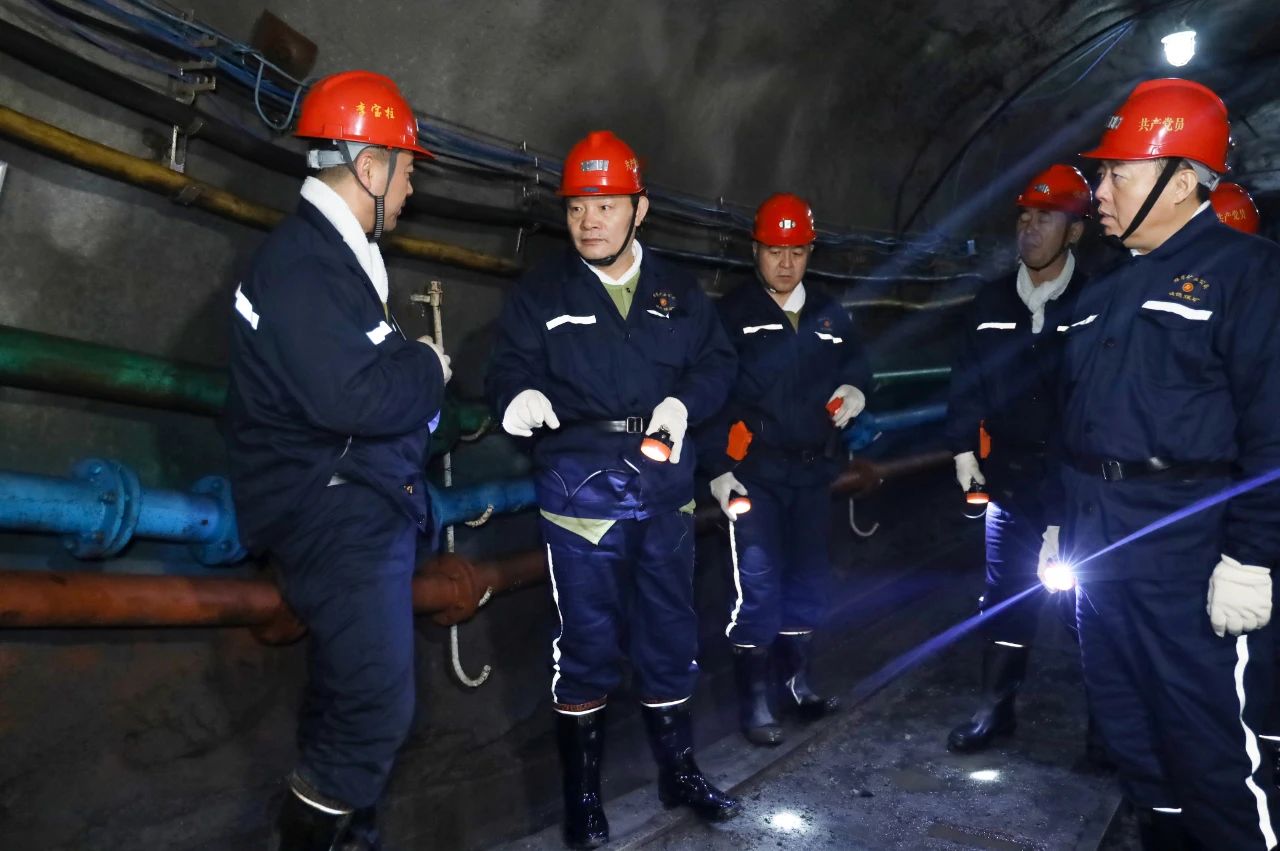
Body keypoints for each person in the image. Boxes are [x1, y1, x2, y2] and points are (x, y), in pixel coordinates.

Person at [486, 130, 740, 848]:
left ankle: (678, 772)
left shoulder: (678, 290)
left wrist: (684, 403)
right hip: (580, 491)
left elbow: (718, 363)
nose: (588, 221)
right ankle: (584, 798)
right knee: (587, 643)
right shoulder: (542, 293)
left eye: (604, 205)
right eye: (576, 208)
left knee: (669, 634)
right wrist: (516, 397)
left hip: (663, 487)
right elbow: (506, 367)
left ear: (639, 208)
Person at [1044, 77, 1280, 849]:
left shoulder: (1251, 275)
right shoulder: (1103, 292)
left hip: (1187, 550)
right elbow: (1074, 421)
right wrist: (1060, 521)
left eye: (1118, 173)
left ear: (1181, 180)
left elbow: (1273, 428)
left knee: (1210, 750)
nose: (1099, 191)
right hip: (1100, 540)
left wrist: (1251, 555)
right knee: (1131, 735)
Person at [224, 70, 451, 851]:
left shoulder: (333, 260)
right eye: (407, 168)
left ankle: (355, 839)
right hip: (334, 508)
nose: (412, 187)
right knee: (376, 707)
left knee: (350, 697)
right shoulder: (304, 266)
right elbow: (355, 397)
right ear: (369, 165)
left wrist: (404, 382)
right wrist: (428, 367)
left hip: (354, 498)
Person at [699, 192, 869, 746]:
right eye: (775, 251)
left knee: (808, 579)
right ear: (756, 250)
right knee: (759, 585)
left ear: (809, 252)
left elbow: (859, 366)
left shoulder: (830, 313)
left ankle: (796, 684)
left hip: (813, 473)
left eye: (796, 251)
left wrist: (856, 388)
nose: (786, 262)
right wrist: (718, 468)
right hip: (756, 475)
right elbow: (709, 394)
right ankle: (754, 703)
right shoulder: (732, 315)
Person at [943, 165, 1092, 754]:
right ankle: (995, 711)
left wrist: (1064, 505)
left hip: (1078, 487)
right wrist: (962, 448)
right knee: (1005, 597)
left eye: (1046, 218)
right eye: (1025, 217)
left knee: (1090, 606)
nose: (1030, 229)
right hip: (1009, 482)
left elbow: (1099, 402)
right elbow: (965, 382)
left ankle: (1109, 729)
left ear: (1075, 231)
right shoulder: (991, 301)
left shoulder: (1097, 303)